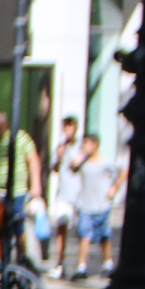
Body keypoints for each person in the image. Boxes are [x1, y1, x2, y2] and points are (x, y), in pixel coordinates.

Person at [0, 108, 44, 264]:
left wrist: (35, 185)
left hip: (17, 192)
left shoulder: (19, 138)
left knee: (17, 225)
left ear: (4, 123)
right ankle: (2, 257)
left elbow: (33, 160)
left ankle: (23, 256)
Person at [69, 132, 124, 280]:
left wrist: (114, 188)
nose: (82, 147)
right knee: (84, 235)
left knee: (104, 236)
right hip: (85, 205)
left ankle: (108, 263)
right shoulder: (82, 162)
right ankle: (81, 267)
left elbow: (122, 172)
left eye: (85, 144)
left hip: (102, 205)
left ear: (95, 145)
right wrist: (76, 160)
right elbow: (72, 168)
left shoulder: (105, 162)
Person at [47, 115, 82, 278]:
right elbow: (54, 169)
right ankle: (60, 263)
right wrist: (58, 157)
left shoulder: (82, 147)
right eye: (65, 128)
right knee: (61, 228)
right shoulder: (61, 147)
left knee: (82, 231)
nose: (67, 131)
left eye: (70, 127)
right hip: (63, 194)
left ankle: (81, 265)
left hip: (80, 195)